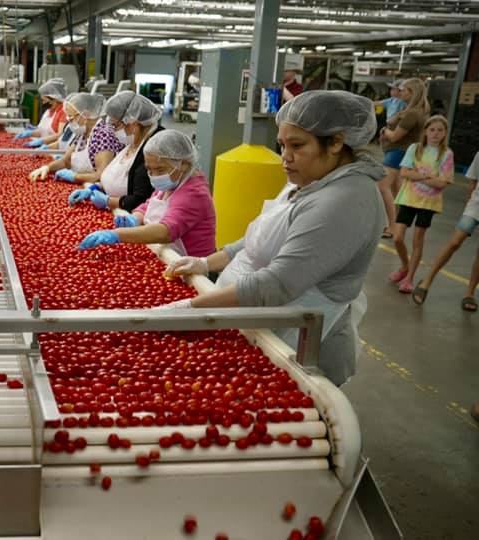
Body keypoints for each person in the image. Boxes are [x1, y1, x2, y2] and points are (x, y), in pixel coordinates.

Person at [164, 91, 386, 386]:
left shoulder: (346, 200)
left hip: (296, 344)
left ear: (336, 142)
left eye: (297, 145)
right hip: (255, 326)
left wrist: (193, 308)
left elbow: (279, 284)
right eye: (282, 145)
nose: (285, 157)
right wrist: (206, 263)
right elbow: (259, 237)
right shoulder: (311, 178)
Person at [77, 129, 216, 258]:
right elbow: (150, 203)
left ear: (184, 164)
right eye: (149, 170)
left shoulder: (194, 193)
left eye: (160, 170)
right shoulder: (174, 180)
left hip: (187, 265)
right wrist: (136, 218)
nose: (154, 175)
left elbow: (165, 232)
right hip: (165, 255)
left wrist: (117, 234)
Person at [388, 115, 454, 294]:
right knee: (398, 237)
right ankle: (404, 266)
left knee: (418, 240)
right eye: (432, 129)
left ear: (445, 133)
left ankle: (409, 278)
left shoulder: (447, 154)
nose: (435, 134)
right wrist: (428, 177)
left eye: (440, 130)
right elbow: (404, 172)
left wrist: (416, 174)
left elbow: (443, 183)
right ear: (425, 131)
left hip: (428, 203)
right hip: (409, 199)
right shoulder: (415, 149)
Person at [68, 91, 161, 213]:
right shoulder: (133, 141)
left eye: (115, 126)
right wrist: (96, 187)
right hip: (113, 210)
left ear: (133, 123)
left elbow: (141, 198)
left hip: (129, 214)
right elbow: (115, 175)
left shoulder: (152, 149)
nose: (113, 131)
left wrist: (108, 201)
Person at [412, 148, 479, 312]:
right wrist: (470, 201)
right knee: (455, 242)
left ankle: (469, 293)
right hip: (476, 205)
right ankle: (427, 281)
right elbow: (473, 180)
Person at [27, 93, 123, 184]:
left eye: (71, 118)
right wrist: (47, 168)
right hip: (81, 184)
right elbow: (66, 161)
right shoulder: (82, 133)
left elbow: (101, 175)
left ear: (85, 115)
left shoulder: (103, 135)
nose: (69, 122)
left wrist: (75, 177)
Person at [379, 78, 429, 239]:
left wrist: (385, 131)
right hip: (401, 152)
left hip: (397, 152)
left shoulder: (412, 114)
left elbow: (394, 136)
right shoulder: (414, 111)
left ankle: (392, 226)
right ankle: (396, 225)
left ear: (412, 93)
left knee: (382, 186)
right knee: (395, 190)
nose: (400, 92)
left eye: (404, 90)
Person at [15, 78, 68, 149]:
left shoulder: (63, 111)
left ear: (54, 98)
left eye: (44, 100)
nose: (43, 103)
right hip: (45, 148)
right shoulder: (49, 111)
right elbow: (42, 132)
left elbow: (60, 135)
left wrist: (41, 141)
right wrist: (30, 133)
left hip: (54, 150)